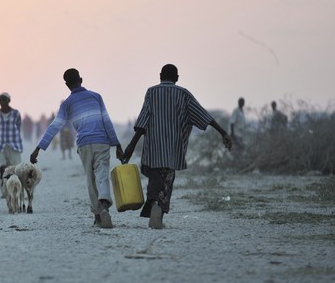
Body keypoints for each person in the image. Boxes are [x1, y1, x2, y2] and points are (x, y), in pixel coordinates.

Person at [122, 64, 232, 229]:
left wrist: (131, 146)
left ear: (160, 75)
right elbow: (204, 116)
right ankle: (158, 210)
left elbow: (142, 122)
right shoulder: (183, 94)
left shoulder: (151, 92)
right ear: (177, 78)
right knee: (166, 182)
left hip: (153, 149)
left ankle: (154, 207)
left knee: (154, 180)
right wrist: (223, 132)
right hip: (173, 150)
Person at [30, 69, 123, 229]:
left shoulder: (67, 104)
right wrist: (117, 144)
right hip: (102, 140)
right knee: (102, 174)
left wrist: (39, 148)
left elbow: (55, 126)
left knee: (90, 178)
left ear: (66, 85)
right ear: (81, 79)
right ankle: (105, 205)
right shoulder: (96, 96)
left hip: (84, 143)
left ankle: (97, 216)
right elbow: (107, 121)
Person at [0, 92, 23, 167]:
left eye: (3, 99)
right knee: (2, 169)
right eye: (0, 100)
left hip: (14, 145)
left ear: (8, 101)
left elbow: (18, 126)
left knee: (15, 169)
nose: (1, 102)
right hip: (0, 145)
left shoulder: (16, 113)